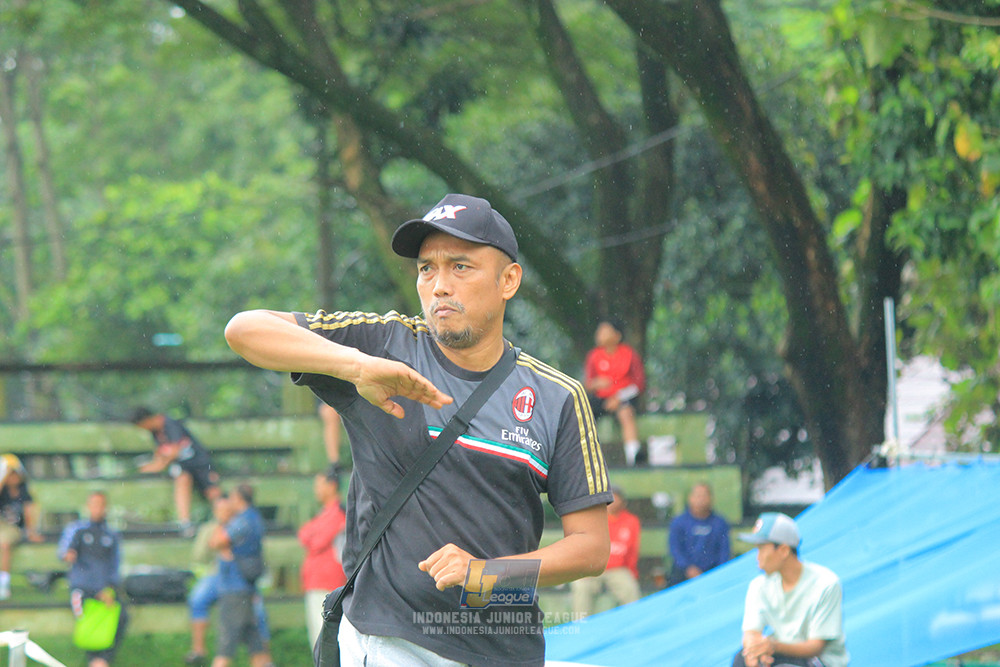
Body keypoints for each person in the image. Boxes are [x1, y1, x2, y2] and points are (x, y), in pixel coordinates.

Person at [224, 192, 612, 667]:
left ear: (508, 280)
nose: (439, 285)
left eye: (460, 267)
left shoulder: (558, 398)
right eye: (427, 268)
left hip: (508, 650)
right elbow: (245, 329)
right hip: (388, 641)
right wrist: (355, 367)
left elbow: (591, 549)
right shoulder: (384, 344)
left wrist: (486, 573)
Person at [733, 512, 849, 667]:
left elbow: (816, 647)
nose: (757, 557)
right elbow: (751, 632)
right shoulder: (759, 585)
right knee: (741, 659)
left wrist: (772, 646)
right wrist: (753, 652)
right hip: (782, 652)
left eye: (761, 549)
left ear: (783, 550)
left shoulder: (826, 583)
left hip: (818, 660)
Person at [185, 493, 270, 666]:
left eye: (226, 509)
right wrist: (217, 535)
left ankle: (267, 659)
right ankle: (198, 649)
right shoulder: (211, 528)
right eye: (220, 510)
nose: (223, 513)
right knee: (197, 599)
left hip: (239, 581)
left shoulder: (240, 526)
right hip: (216, 575)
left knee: (258, 614)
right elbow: (200, 555)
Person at [58, 491, 128, 667]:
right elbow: (64, 551)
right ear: (88, 506)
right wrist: (68, 554)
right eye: (94, 504)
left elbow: (115, 565)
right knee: (88, 621)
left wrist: (109, 588)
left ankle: (103, 660)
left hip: (104, 589)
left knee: (121, 616)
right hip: (82, 589)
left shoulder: (111, 534)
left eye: (101, 505)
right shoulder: (77, 530)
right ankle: (95, 660)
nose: (97, 508)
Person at [130, 407, 221, 537]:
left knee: (213, 492)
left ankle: (223, 523)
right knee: (182, 479)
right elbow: (160, 453)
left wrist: (157, 466)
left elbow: (175, 450)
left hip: (199, 462)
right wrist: (151, 466)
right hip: (183, 466)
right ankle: (185, 523)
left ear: (146, 420)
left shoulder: (170, 423)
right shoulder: (154, 433)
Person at [209, 484, 272, 667]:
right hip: (247, 588)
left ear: (238, 499)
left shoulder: (241, 522)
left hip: (233, 589)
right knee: (255, 644)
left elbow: (216, 542)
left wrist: (221, 520)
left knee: (225, 647)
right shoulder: (255, 517)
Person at [570, 485, 641, 617]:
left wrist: (632, 572)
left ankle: (634, 623)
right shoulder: (594, 518)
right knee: (581, 586)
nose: (612, 501)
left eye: (616, 497)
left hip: (617, 569)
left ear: (623, 501)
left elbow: (632, 550)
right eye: (610, 497)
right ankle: (581, 624)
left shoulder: (631, 521)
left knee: (630, 588)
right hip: (593, 568)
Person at [583, 318, 646, 465]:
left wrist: (619, 397)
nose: (600, 334)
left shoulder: (629, 354)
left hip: (624, 398)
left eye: (605, 331)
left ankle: (633, 457)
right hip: (601, 399)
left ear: (617, 336)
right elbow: (588, 384)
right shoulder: (594, 356)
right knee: (584, 415)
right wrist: (596, 383)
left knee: (626, 414)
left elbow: (639, 385)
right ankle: (585, 458)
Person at [298, 469, 347, 649]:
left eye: (319, 485)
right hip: (317, 582)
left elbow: (316, 542)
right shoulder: (324, 514)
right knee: (317, 636)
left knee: (324, 638)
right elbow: (303, 534)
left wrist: (312, 534)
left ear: (332, 486)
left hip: (328, 583)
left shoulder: (339, 512)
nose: (316, 490)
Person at [669, 482, 731, 584]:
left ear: (711, 498)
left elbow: (724, 552)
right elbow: (675, 550)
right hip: (684, 574)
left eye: (704, 496)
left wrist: (716, 573)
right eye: (697, 496)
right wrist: (689, 568)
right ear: (690, 498)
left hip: (712, 574)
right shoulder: (679, 522)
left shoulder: (720, 523)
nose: (701, 500)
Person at [0, 454, 43, 600]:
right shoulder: (3, 491)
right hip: (2, 527)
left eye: (15, 473)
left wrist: (31, 532)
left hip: (14, 529)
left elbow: (29, 512)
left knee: (4, 543)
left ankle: (3, 583)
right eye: (10, 474)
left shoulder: (24, 492)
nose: (13, 477)